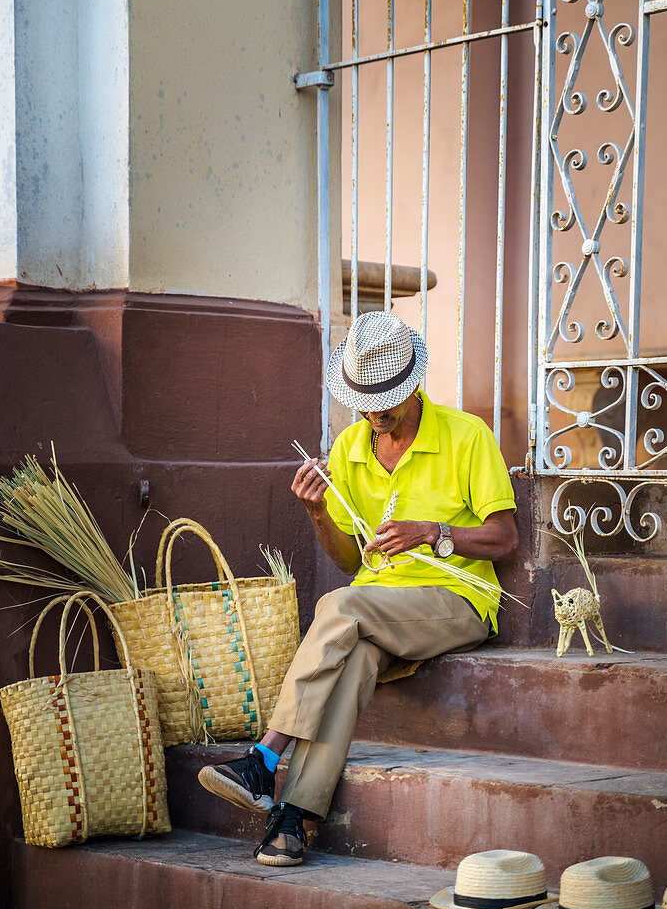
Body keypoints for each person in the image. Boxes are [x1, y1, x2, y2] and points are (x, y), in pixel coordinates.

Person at [198, 310, 518, 866]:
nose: (374, 414)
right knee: (355, 661)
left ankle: (264, 756)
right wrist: (318, 512)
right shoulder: (350, 446)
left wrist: (433, 533)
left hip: (459, 603)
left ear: (415, 384)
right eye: (365, 402)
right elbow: (350, 557)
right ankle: (294, 818)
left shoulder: (468, 437)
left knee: (338, 604)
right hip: (375, 609)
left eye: (386, 401)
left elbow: (506, 538)